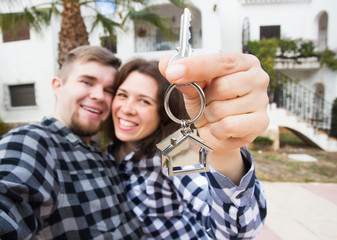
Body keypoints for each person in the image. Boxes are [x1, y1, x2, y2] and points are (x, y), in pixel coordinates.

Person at [106, 55, 269, 239]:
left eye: (144, 101)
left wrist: (225, 153)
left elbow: (234, 232)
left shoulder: (178, 150)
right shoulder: (106, 149)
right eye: (122, 95)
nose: (127, 109)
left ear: (164, 111)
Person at [0, 46, 144, 239]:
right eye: (87, 82)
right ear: (57, 86)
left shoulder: (104, 155)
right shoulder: (34, 141)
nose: (99, 96)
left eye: (109, 90)